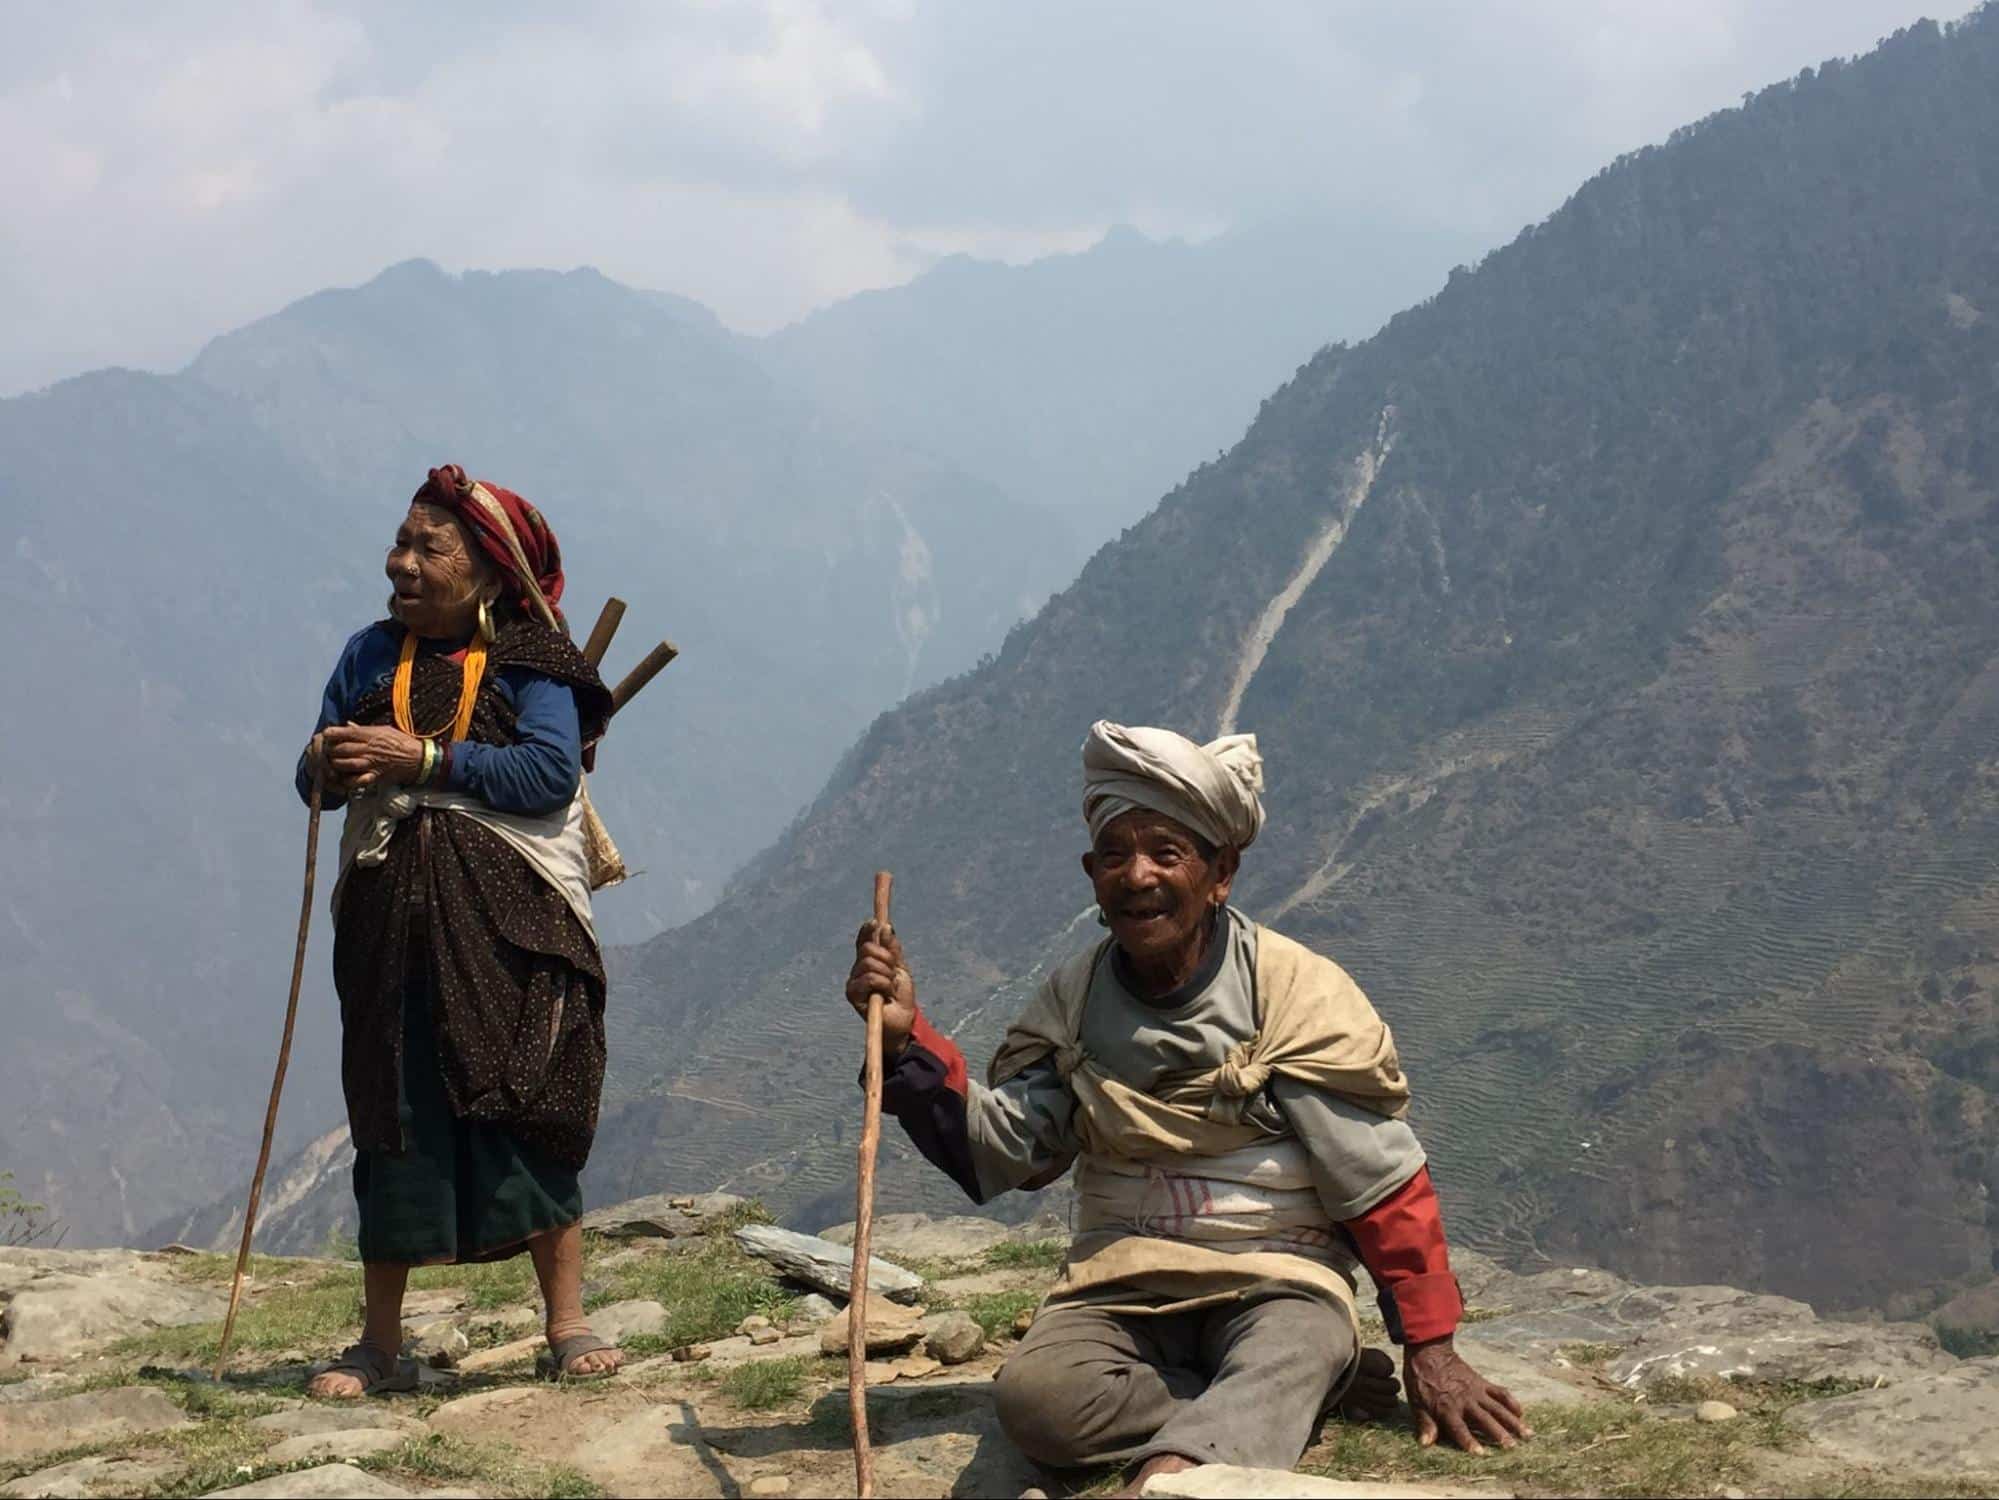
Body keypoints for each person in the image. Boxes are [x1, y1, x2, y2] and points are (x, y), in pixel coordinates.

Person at [842, 721, 1527, 1492]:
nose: (1137, 876)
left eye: (1165, 854)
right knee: (1037, 1404)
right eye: (1114, 856)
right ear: (1091, 874)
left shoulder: (1293, 996)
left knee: (1290, 1348)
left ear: (1219, 872)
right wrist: (904, 1041)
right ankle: (1272, 1404)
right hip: (1121, 1281)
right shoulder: (1073, 1002)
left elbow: (1380, 1182)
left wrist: (1430, 1349)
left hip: (1278, 1278)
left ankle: (1181, 1468)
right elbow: (1013, 1156)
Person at [298, 464, 622, 1395]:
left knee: (533, 1100)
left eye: (427, 547)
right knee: (391, 1107)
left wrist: (424, 757)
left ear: (486, 570)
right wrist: (326, 763)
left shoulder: (532, 660)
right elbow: (312, 781)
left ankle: (567, 1324)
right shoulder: (369, 656)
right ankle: (378, 1345)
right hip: (389, 925)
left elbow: (548, 777)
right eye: (400, 542)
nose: (400, 562)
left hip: (517, 928)